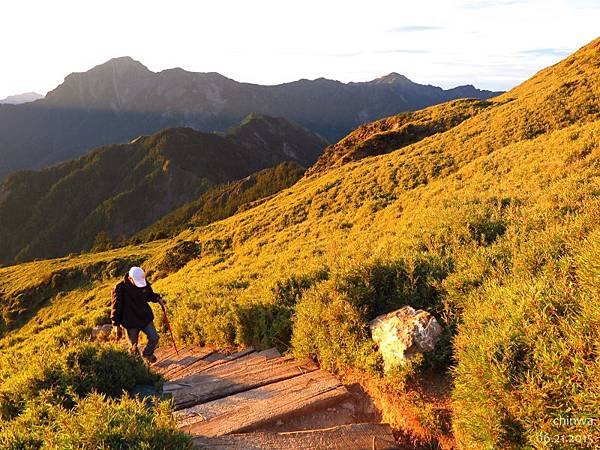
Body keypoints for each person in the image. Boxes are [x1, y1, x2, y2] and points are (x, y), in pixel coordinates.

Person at [111, 266, 165, 363]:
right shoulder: (120, 288)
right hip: (130, 322)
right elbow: (116, 307)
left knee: (154, 337)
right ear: (129, 278)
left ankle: (147, 354)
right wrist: (116, 325)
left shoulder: (143, 281)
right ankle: (138, 366)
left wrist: (157, 298)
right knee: (133, 347)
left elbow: (149, 295)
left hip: (145, 317)